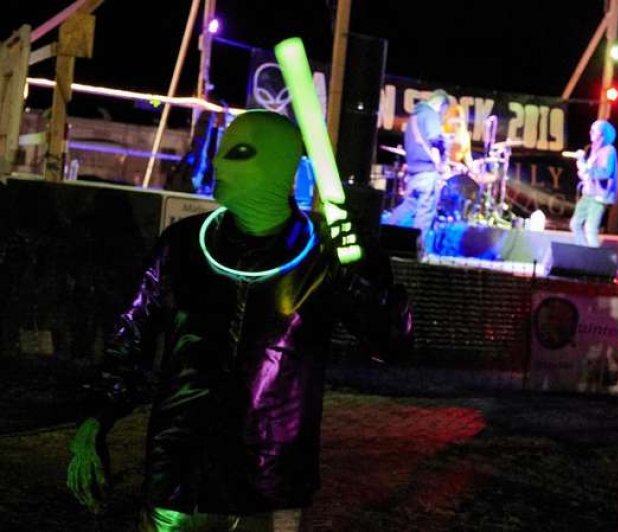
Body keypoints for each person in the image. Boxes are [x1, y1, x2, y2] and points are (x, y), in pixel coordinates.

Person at [66, 110, 412, 532]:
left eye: (240, 152)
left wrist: (361, 274)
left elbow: (391, 343)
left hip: (268, 489)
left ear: (280, 165)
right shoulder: (182, 246)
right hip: (178, 482)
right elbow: (130, 337)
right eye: (223, 150)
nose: (218, 161)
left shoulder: (322, 258)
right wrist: (95, 418)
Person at [384, 89, 451, 232]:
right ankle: (420, 245)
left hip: (413, 172)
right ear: (441, 104)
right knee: (425, 215)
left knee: (408, 206)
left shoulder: (414, 116)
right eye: (444, 111)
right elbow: (435, 141)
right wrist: (442, 159)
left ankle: (383, 232)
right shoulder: (431, 115)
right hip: (427, 172)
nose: (442, 115)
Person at [569, 120, 618, 247]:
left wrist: (588, 170)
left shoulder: (609, 150)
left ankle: (594, 257)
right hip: (588, 193)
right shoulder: (594, 150)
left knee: (590, 229)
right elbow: (587, 173)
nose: (590, 133)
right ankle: (583, 251)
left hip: (599, 195)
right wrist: (581, 163)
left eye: (594, 131)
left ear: (603, 134)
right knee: (575, 224)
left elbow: (606, 172)